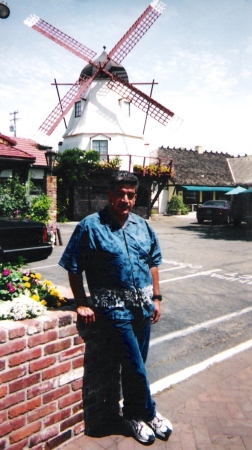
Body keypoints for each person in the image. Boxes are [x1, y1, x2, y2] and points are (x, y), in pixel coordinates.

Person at [59, 171, 173, 445]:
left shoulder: (142, 226)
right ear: (109, 195)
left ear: (135, 198)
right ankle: (148, 413)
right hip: (114, 310)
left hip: (143, 308)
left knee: (137, 365)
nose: (125, 199)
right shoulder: (90, 226)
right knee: (133, 364)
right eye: (120, 194)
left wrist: (156, 298)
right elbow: (73, 266)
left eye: (130, 195)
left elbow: (153, 262)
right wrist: (82, 303)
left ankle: (133, 413)